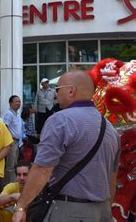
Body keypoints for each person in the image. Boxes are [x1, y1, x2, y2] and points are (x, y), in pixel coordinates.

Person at [12, 71, 120, 222]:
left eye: (58, 89)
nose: (55, 95)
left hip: (69, 210)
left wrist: (21, 206)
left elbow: (43, 169)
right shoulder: (110, 128)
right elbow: (112, 178)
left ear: (71, 90)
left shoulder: (60, 120)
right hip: (102, 211)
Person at [3, 95, 23, 184]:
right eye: (16, 101)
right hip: (12, 142)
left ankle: (13, 184)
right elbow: (5, 128)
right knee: (10, 166)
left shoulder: (17, 115)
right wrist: (10, 139)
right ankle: (8, 185)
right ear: (11, 103)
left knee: (14, 164)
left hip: (17, 142)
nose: (19, 103)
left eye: (19, 101)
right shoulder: (9, 115)